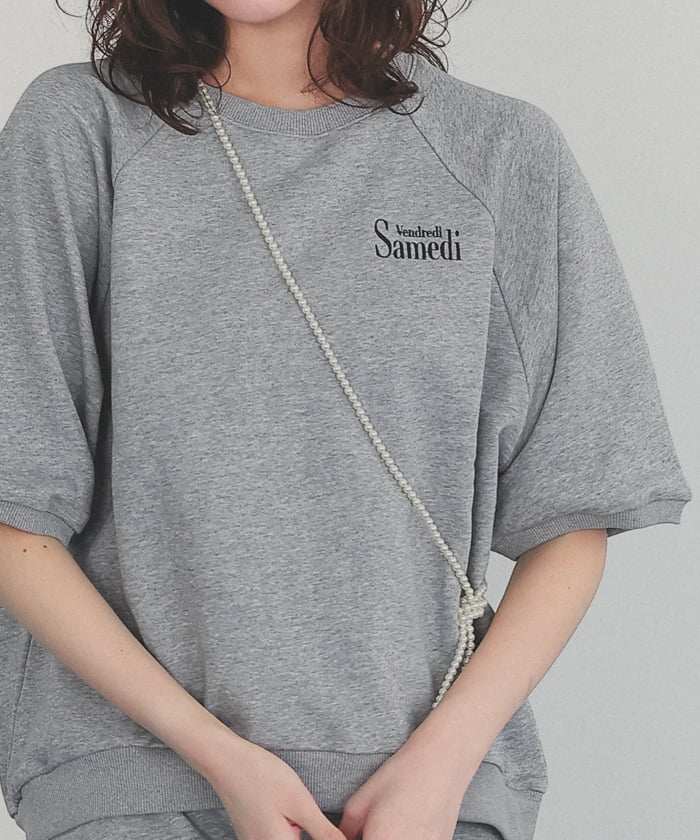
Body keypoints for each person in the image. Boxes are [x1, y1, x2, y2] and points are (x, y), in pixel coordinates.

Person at [0, 1, 692, 839]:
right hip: (132, 784)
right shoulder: (80, 129)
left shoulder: (499, 150)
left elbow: (573, 512)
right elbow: (15, 510)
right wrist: (220, 757)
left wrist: (446, 761)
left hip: (429, 797)